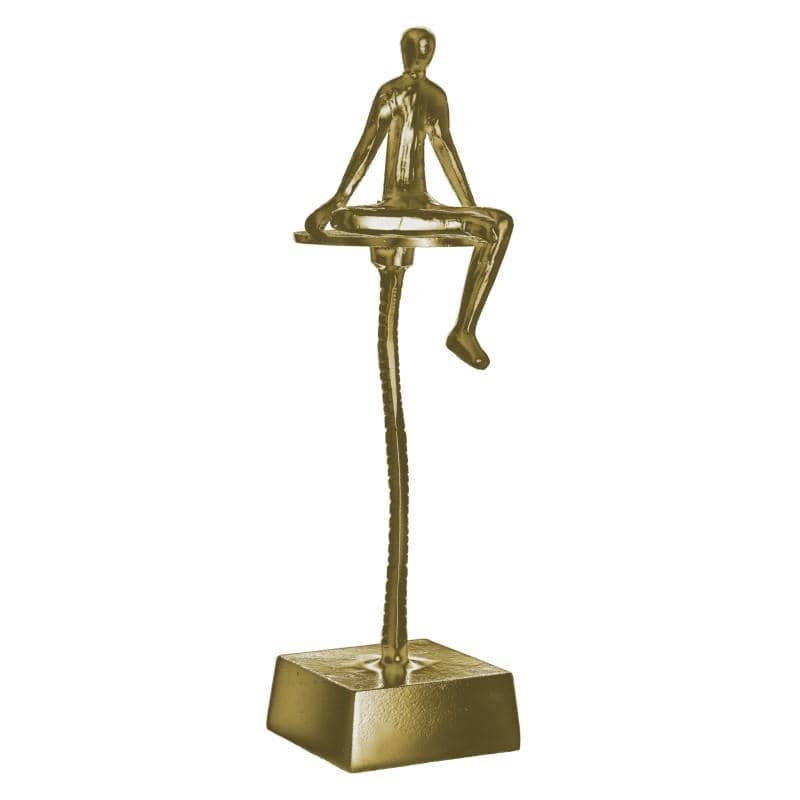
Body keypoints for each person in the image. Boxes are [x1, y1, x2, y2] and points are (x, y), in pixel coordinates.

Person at [305, 28, 513, 370]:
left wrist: (470, 208)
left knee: (500, 223)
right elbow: (368, 144)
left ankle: (464, 329)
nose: (419, 55)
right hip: (385, 212)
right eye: (414, 48)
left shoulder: (435, 96)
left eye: (424, 49)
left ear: (431, 54)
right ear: (404, 51)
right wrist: (337, 200)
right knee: (347, 218)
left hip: (422, 208)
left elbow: (445, 149)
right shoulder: (390, 92)